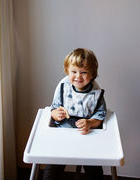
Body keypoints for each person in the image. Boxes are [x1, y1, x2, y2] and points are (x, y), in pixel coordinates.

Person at [43, 48, 106, 180]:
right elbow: (53, 109)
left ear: (92, 74)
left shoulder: (95, 92)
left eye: (84, 72)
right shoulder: (63, 87)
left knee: (94, 168)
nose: (78, 76)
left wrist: (90, 122)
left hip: (87, 136)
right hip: (62, 135)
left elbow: (100, 117)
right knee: (52, 168)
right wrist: (56, 114)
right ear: (67, 71)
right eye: (74, 72)